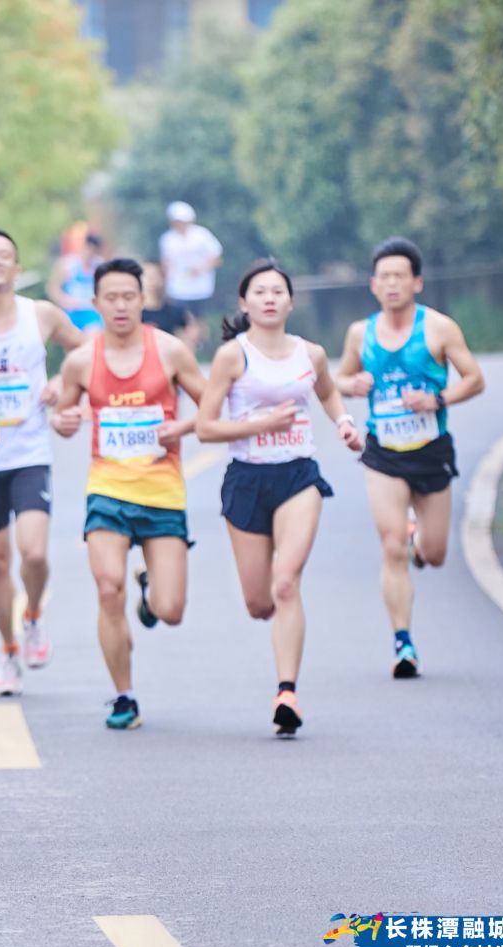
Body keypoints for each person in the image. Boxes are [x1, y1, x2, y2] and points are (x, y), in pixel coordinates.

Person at [195, 260, 363, 735]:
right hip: (246, 479)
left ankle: (286, 691)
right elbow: (206, 427)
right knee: (260, 603)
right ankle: (275, 639)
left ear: (291, 301)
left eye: (278, 291)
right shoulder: (233, 356)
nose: (269, 298)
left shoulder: (310, 354)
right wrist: (259, 425)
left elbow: (329, 394)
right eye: (259, 292)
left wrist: (345, 423)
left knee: (286, 583)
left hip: (297, 477)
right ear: (244, 304)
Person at [51, 258, 205, 729]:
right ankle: (124, 696)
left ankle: (149, 588)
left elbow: (214, 408)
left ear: (144, 300)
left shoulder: (172, 352)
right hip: (108, 489)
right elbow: (62, 417)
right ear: (95, 304)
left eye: (129, 296)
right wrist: (65, 421)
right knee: (106, 588)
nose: (120, 306)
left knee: (170, 610)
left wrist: (182, 425)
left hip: (162, 492)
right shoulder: (81, 361)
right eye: (110, 298)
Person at [335, 237, 485, 678]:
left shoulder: (438, 328)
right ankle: (403, 642)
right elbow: (339, 379)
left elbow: (474, 379)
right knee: (391, 545)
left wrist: (438, 399)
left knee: (434, 554)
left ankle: (421, 538)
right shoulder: (360, 333)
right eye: (384, 277)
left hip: (431, 450)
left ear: (416, 282)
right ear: (373, 285)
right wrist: (353, 384)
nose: (392, 283)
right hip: (383, 452)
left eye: (400, 275)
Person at [0, 229, 86, 696]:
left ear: (17, 265)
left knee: (36, 552)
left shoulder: (41, 314)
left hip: (29, 451)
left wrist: (62, 384)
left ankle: (31, 618)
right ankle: (8, 650)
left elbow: (84, 351)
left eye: (4, 255)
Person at [158, 202, 223, 321]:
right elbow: (165, 263)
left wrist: (201, 268)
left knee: (199, 319)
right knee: (181, 320)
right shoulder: (167, 239)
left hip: (201, 288)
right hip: (177, 289)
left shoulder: (202, 235)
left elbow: (216, 257)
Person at [47, 232, 104, 331]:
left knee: (92, 336)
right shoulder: (68, 265)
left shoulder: (100, 266)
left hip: (92, 313)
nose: (90, 253)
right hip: (72, 313)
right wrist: (64, 301)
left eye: (94, 250)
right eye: (89, 248)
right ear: (84, 246)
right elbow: (53, 288)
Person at [140, 261, 189, 336]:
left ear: (163, 278)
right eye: (146, 276)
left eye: (155, 275)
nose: (150, 280)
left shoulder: (176, 313)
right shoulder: (132, 314)